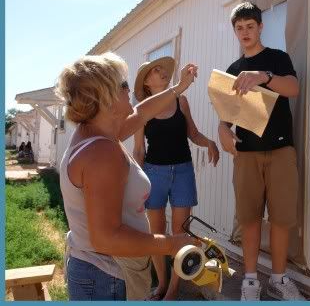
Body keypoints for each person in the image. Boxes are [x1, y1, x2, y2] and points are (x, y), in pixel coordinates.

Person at [55, 52, 203, 301]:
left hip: (100, 272)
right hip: (107, 278)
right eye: (123, 85)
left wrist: (178, 88)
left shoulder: (95, 134)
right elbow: (106, 239)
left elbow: (142, 113)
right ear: (106, 97)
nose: (129, 90)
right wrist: (172, 243)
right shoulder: (102, 152)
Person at [218, 2, 305, 301]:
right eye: (239, 28)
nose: (245, 32)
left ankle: (279, 280)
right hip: (246, 155)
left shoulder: (277, 59)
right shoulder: (231, 70)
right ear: (235, 31)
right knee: (249, 218)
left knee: (281, 218)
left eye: (250, 26)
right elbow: (226, 115)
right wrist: (221, 130)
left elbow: (293, 88)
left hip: (281, 150)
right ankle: (251, 282)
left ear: (260, 27)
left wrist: (263, 76)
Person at [132, 56, 220, 300]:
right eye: (155, 70)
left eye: (161, 69)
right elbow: (139, 150)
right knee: (156, 234)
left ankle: (173, 290)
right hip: (153, 174)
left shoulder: (182, 101)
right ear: (147, 83)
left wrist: (209, 142)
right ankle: (161, 283)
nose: (161, 72)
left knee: (181, 232)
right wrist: (133, 184)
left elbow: (192, 133)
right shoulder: (141, 109)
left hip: (183, 172)